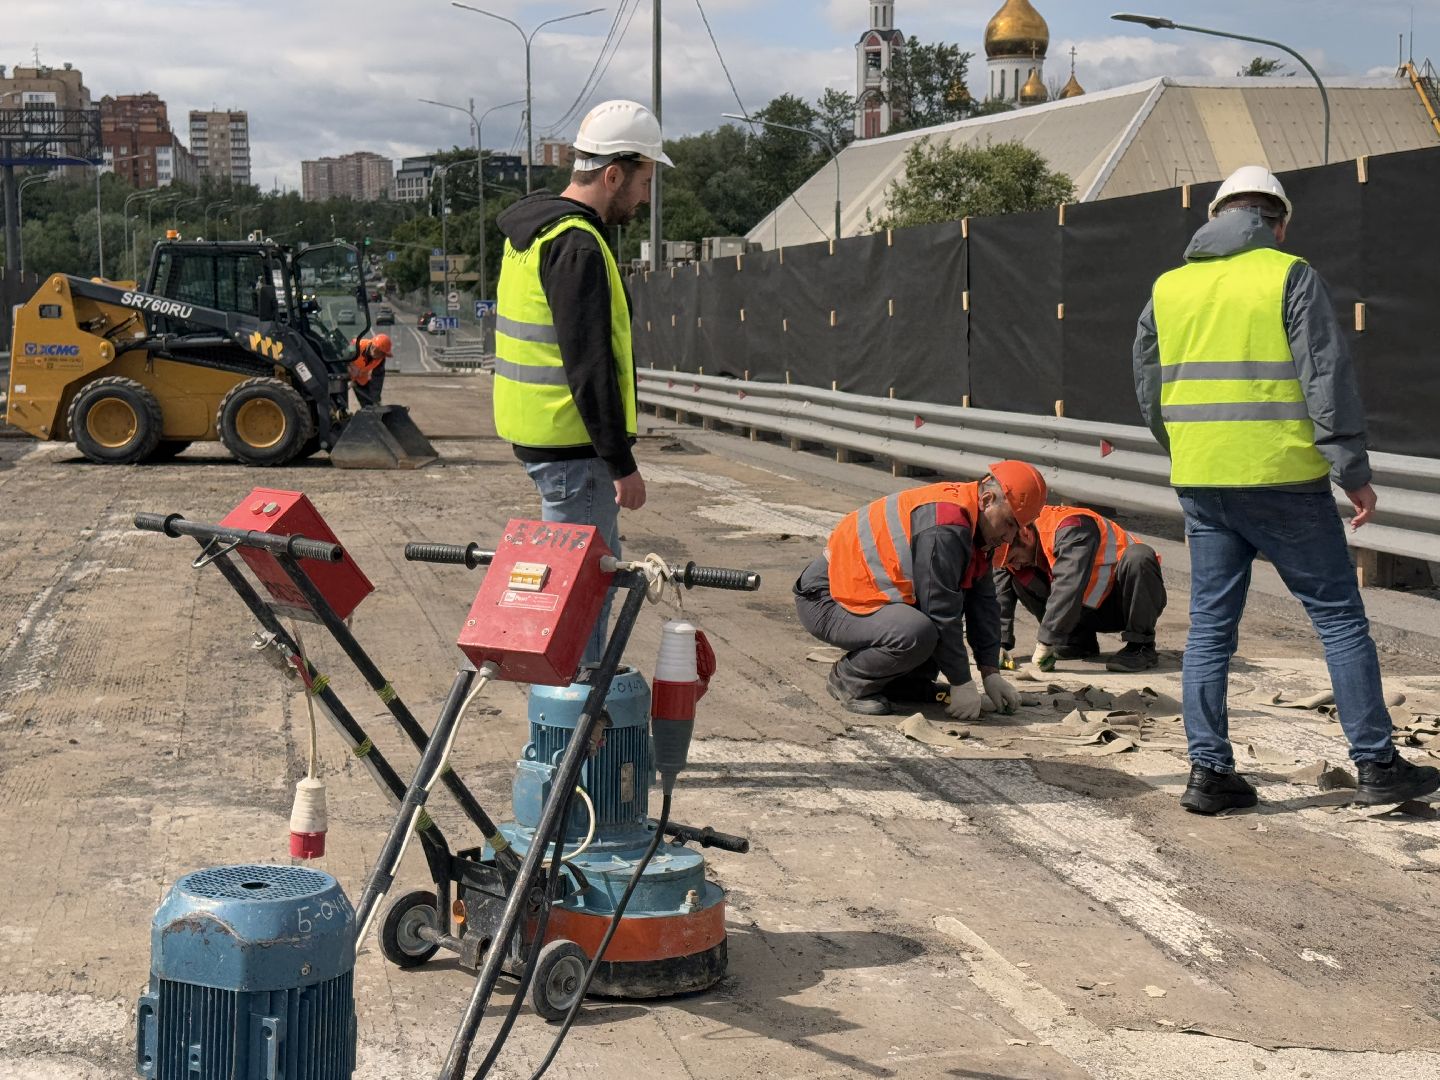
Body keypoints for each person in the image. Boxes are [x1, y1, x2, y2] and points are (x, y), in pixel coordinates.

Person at [1133, 164, 1438, 814]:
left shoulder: (1169, 286)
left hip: (1203, 481)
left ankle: (1209, 774)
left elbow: (1147, 383)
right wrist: (1352, 471)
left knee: (1210, 628)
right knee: (1338, 617)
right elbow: (1325, 376)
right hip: (1284, 479)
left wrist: (1186, 446)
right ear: (1278, 224)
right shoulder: (1289, 275)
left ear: (1215, 218)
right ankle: (1377, 765)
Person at [493, 100, 671, 664]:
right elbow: (588, 365)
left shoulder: (533, 234)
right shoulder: (577, 246)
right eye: (644, 182)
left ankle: (578, 699)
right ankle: (575, 707)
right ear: (613, 175)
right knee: (580, 600)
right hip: (577, 453)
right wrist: (621, 464)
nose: (644, 197)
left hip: (548, 439)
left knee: (589, 585)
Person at [793, 461, 1046, 719]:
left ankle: (907, 685)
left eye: (1017, 529)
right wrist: (961, 682)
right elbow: (939, 609)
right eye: (1009, 524)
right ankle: (848, 680)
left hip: (864, 595)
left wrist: (990, 672)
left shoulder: (978, 527)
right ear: (987, 500)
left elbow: (983, 603)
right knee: (917, 631)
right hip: (826, 598)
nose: (1009, 538)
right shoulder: (946, 525)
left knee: (944, 608)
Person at [995, 505, 1166, 674]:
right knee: (1016, 575)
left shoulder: (1073, 527)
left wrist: (1046, 640)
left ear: (1025, 534)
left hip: (1123, 603)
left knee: (1139, 556)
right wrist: (996, 644)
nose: (1015, 565)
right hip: (1084, 608)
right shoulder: (1007, 541)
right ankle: (1076, 640)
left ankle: (1141, 646)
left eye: (1014, 558)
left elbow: (1069, 585)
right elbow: (999, 592)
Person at [350, 332, 392, 408]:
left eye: (383, 354)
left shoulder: (380, 359)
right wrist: (349, 369)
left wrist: (375, 399)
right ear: (374, 348)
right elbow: (340, 357)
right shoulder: (357, 346)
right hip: (342, 376)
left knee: (368, 405)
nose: (382, 356)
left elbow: (377, 378)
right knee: (338, 401)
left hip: (360, 379)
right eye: (381, 353)